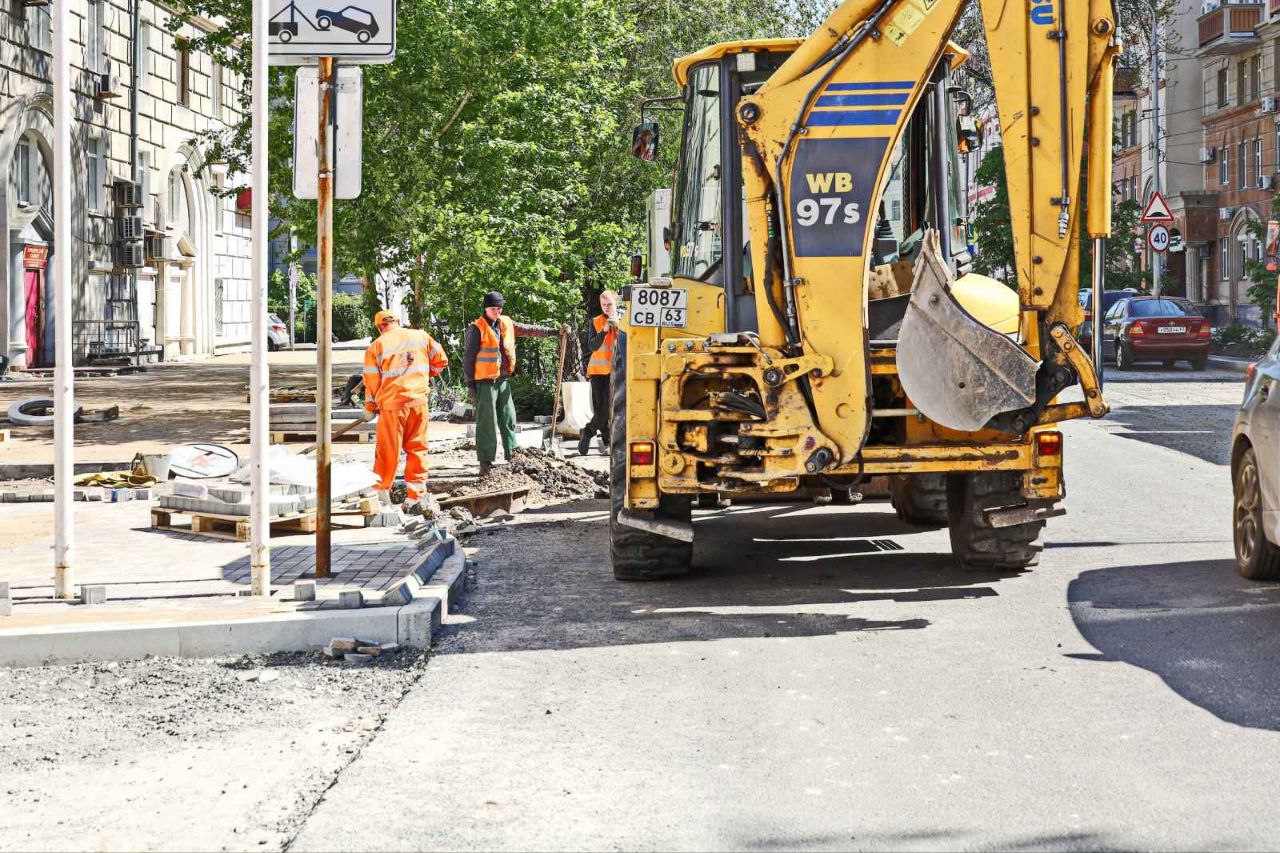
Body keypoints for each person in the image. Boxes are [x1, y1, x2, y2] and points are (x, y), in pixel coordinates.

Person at [463, 291, 564, 476]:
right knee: (487, 423)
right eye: (493, 308)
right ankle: (485, 463)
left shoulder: (506, 323)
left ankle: (513, 457)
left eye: (499, 308)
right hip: (485, 383)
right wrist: (471, 385)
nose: (497, 311)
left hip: (502, 381)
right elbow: (468, 359)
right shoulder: (476, 329)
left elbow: (528, 329)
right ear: (485, 308)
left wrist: (555, 332)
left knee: (508, 418)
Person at [362, 310, 448, 508]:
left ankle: (381, 493)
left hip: (393, 406)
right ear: (398, 322)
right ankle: (416, 496)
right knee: (417, 448)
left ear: (379, 327)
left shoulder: (376, 346)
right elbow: (441, 360)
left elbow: (372, 382)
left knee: (388, 450)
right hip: (418, 403)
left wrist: (370, 406)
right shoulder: (421, 336)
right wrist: (424, 376)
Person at [579, 290, 620, 456]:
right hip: (597, 373)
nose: (607, 308)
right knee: (602, 410)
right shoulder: (596, 322)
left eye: (609, 304)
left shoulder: (624, 321)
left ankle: (604, 439)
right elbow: (593, 346)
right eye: (604, 305)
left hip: (616, 372)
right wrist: (604, 330)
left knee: (611, 410)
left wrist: (617, 326)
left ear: (615, 304)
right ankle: (588, 433)